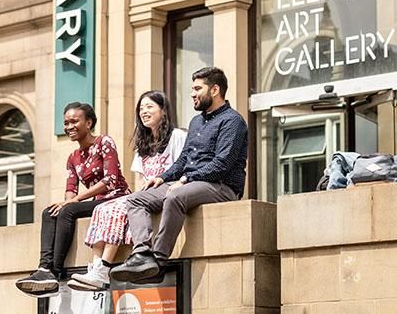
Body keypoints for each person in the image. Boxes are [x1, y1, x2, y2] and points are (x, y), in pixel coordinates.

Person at [110, 67, 248, 284]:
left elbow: (222, 164)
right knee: (136, 199)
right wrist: (163, 178)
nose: (192, 93)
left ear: (214, 90)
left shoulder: (233, 121)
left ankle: (158, 260)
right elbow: (183, 159)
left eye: (197, 88)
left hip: (221, 186)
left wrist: (184, 180)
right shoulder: (196, 122)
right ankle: (142, 254)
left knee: (175, 196)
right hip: (191, 183)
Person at [67, 90, 187, 291]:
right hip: (147, 194)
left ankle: (104, 267)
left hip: (169, 188)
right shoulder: (143, 144)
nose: (144, 112)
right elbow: (140, 180)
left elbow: (184, 167)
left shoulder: (178, 136)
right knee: (102, 208)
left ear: (164, 111)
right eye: (141, 108)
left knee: (117, 208)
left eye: (149, 107)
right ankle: (96, 267)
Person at [15, 102, 130, 296]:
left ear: (89, 123)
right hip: (95, 202)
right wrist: (67, 200)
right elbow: (70, 188)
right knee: (50, 211)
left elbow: (110, 181)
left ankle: (55, 270)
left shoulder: (104, 143)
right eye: (66, 123)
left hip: (115, 199)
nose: (69, 127)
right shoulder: (73, 157)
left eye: (74, 121)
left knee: (68, 210)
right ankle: (45, 269)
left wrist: (72, 201)